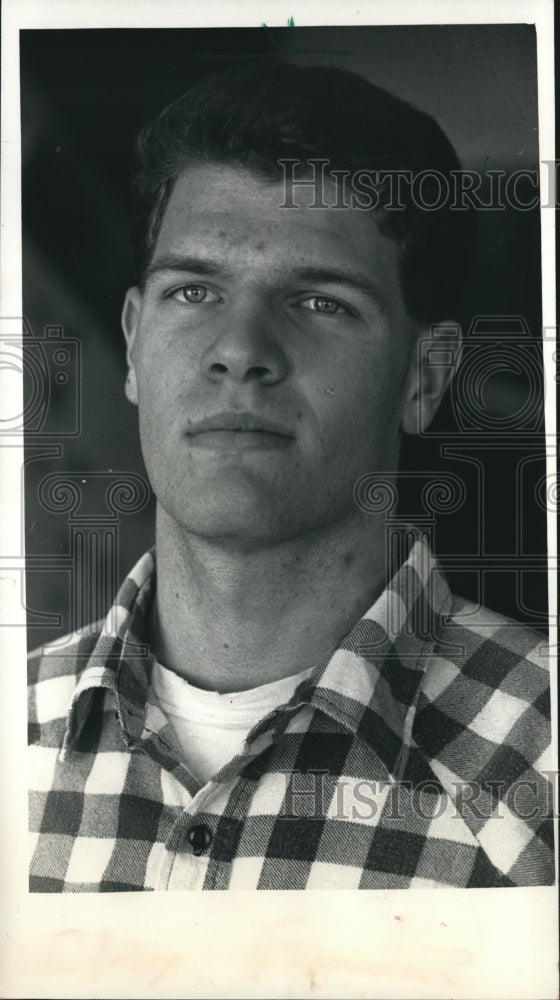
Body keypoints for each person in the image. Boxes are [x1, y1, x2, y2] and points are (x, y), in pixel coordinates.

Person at [28, 63, 554, 891]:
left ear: (425, 374)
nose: (240, 349)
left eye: (319, 302)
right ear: (132, 343)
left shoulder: (542, 759)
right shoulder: (15, 730)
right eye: (194, 289)